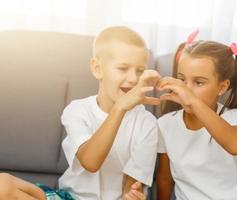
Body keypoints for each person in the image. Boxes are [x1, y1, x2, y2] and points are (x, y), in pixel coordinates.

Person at [0, 26, 159, 200]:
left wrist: (133, 195)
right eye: (122, 68)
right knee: (3, 185)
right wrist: (119, 108)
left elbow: (132, 184)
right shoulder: (77, 111)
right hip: (69, 197)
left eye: (140, 71)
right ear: (97, 68)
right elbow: (90, 162)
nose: (133, 79)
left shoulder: (147, 123)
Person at [156, 36, 237, 200]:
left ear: (222, 87)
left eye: (198, 82)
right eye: (182, 80)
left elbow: (235, 145)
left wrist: (192, 101)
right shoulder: (165, 124)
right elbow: (164, 178)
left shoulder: (232, 117)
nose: (186, 89)